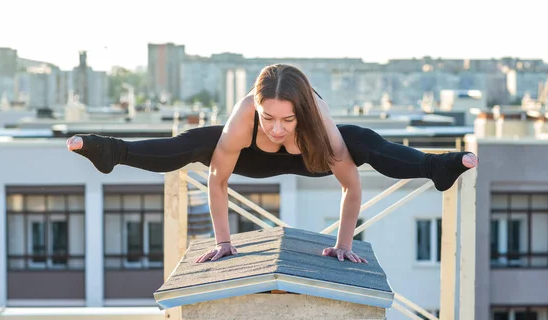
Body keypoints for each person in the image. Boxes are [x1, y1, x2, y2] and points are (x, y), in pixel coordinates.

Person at [67, 64, 478, 264]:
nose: (277, 128)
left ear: (302, 110)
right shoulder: (245, 113)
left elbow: (351, 186)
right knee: (198, 141)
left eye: (287, 119)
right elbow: (217, 178)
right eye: (268, 118)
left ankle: (436, 167)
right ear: (257, 108)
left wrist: (344, 245)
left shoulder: (318, 117)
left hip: (312, 160)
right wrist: (224, 242)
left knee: (362, 140)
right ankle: (111, 152)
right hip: (254, 162)